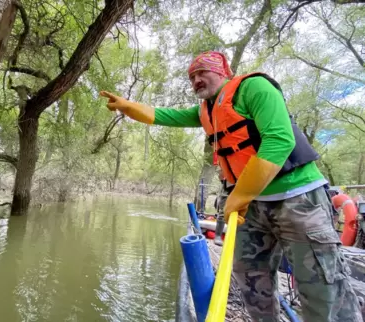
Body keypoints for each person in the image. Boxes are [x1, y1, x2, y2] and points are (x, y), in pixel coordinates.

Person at [99, 51, 363, 321]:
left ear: (223, 71)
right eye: (192, 77)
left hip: (297, 199)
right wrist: (127, 106)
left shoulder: (253, 87)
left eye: (202, 72)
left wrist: (242, 193)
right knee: (249, 278)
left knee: (321, 288)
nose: (196, 80)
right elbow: (165, 115)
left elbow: (279, 140)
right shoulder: (206, 111)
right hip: (251, 209)